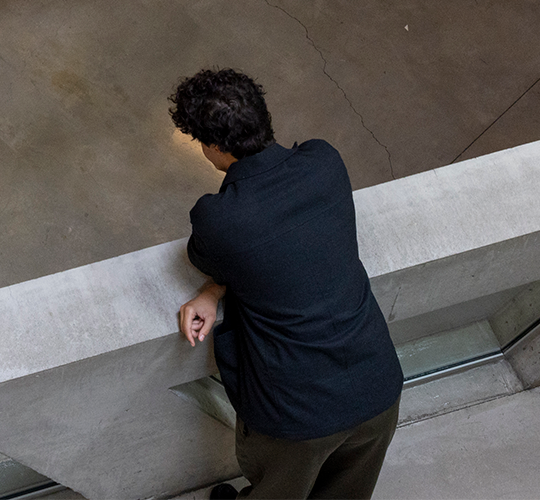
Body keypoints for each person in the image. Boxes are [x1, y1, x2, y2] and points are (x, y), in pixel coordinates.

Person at [170, 69, 402, 500]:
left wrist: (211, 288)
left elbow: (216, 257)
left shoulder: (218, 218)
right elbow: (280, 250)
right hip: (378, 388)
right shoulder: (325, 162)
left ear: (215, 147)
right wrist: (214, 290)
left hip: (299, 416)